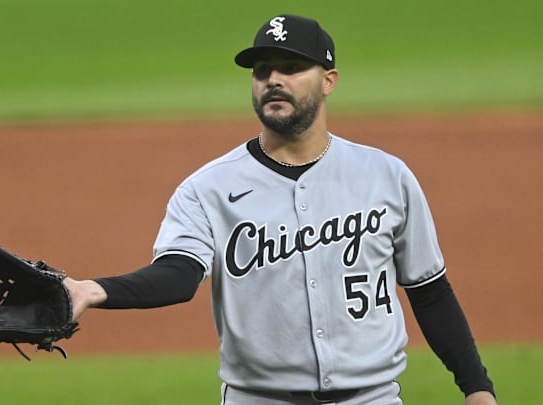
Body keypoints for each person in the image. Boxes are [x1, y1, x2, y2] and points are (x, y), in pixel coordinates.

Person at [63, 14, 497, 405]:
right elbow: (176, 276)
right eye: (262, 70)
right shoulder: (208, 188)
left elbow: (429, 289)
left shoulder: (386, 175)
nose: (273, 79)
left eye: (291, 68)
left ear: (329, 81)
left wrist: (476, 387)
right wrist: (93, 289)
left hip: (373, 399)